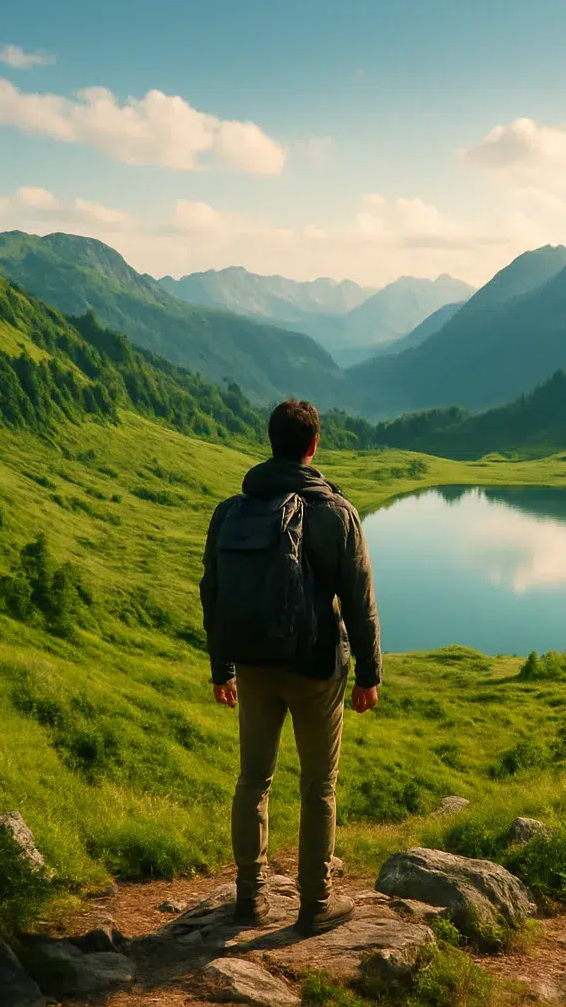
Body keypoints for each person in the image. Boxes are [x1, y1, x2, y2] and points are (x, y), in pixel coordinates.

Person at [199, 399, 382, 936]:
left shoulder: (233, 511)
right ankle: (315, 905)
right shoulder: (336, 513)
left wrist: (222, 668)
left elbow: (213, 594)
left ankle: (250, 900)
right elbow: (359, 599)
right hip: (316, 668)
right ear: (313, 446)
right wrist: (369, 674)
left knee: (253, 781)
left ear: (271, 442)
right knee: (318, 786)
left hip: (253, 666)